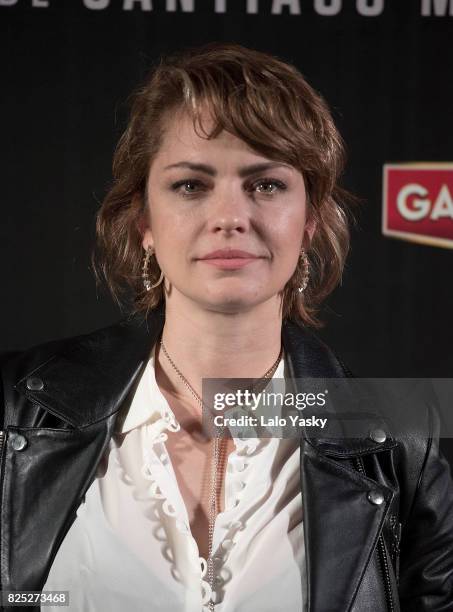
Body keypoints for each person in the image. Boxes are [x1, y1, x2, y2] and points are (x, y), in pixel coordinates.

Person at [1, 42, 453, 612]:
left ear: (310, 219)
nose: (231, 218)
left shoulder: (402, 439)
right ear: (143, 220)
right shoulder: (15, 409)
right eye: (191, 185)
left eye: (266, 184)